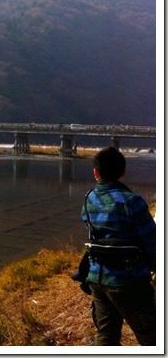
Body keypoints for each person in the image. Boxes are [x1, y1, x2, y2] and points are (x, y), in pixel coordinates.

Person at [80, 146, 156, 346]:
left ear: (96, 173)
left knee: (106, 336)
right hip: (129, 280)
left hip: (97, 278)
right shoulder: (132, 202)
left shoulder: (89, 199)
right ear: (123, 172)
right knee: (152, 336)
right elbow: (152, 240)